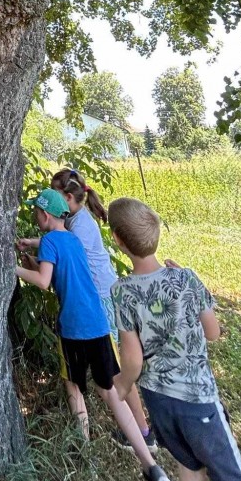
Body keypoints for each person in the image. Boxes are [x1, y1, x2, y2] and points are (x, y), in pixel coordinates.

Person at [15, 189, 177, 481]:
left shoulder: (49, 242)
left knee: (73, 385)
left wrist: (14, 269)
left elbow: (44, 281)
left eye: (36, 211)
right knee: (111, 392)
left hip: (74, 328)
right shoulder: (72, 239)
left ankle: (85, 455)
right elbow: (58, 272)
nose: (35, 215)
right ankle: (152, 467)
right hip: (99, 325)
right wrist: (31, 260)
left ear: (44, 215)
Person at [108, 197, 241, 481]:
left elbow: (132, 358)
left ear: (118, 239)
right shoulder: (186, 278)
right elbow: (213, 332)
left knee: (190, 472)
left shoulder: (122, 291)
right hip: (197, 402)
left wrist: (122, 385)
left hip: (159, 404)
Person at [48, 168, 156, 451]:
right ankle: (141, 430)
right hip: (100, 296)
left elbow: (68, 255)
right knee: (113, 370)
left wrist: (40, 250)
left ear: (67, 198)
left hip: (99, 301)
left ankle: (143, 432)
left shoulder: (79, 225)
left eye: (54, 194)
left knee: (115, 372)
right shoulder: (76, 220)